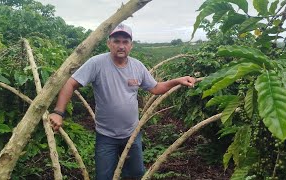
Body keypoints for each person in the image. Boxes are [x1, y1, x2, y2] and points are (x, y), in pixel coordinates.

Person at [49, 23, 196, 180]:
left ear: (131, 45)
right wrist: (58, 112)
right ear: (109, 43)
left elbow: (156, 88)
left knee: (136, 174)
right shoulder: (96, 63)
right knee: (103, 176)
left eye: (125, 42)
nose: (121, 46)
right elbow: (70, 83)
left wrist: (177, 80)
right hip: (106, 136)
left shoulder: (137, 67)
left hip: (132, 134)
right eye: (116, 41)